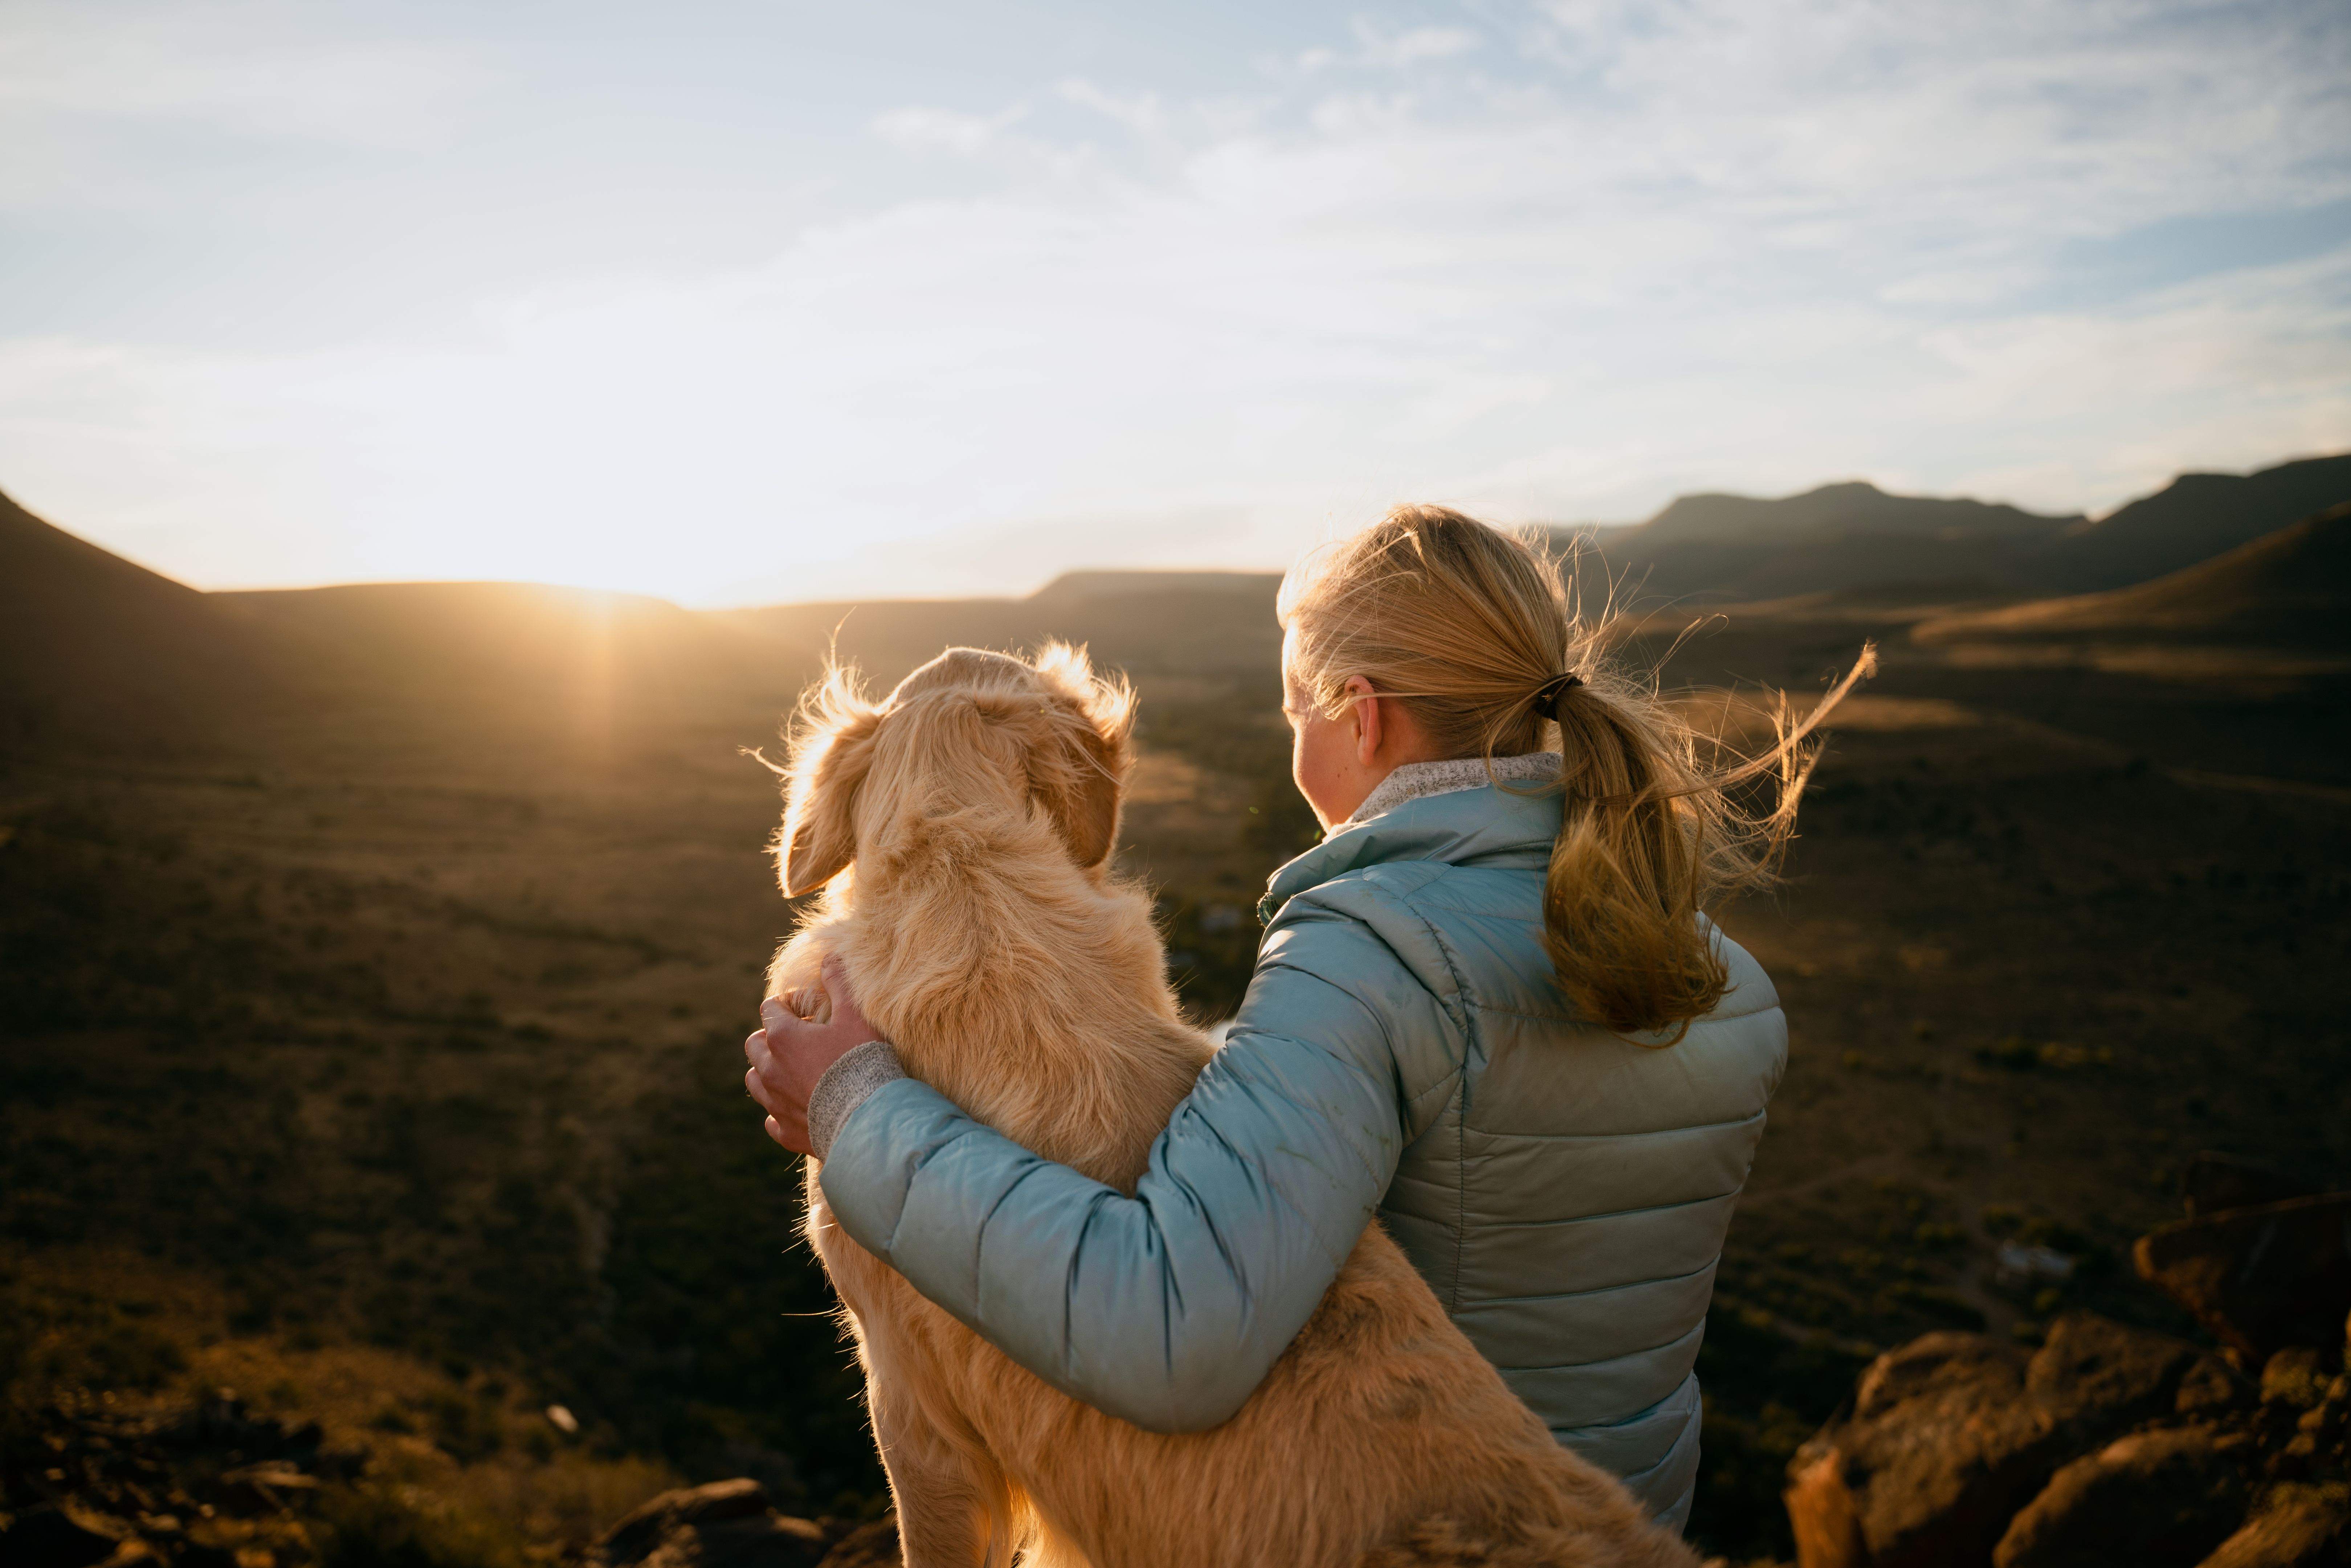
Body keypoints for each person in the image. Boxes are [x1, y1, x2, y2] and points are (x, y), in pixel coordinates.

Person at [744, 506, 1866, 1531]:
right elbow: (1479, 1131)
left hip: (1372, 1525)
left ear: (1361, 717)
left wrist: (859, 1100)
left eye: (1296, 711)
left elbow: (1173, 1331)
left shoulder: (1363, 953)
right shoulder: (1718, 975)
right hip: (1617, 1521)